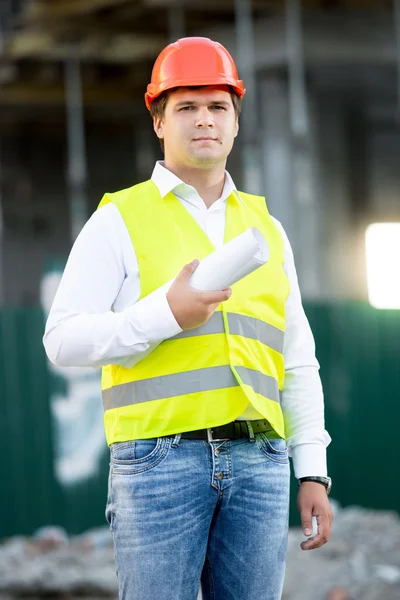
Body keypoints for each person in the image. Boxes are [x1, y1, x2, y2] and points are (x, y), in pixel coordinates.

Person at [43, 37, 332, 600]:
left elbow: (297, 358)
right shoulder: (118, 219)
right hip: (159, 462)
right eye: (187, 107)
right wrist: (162, 316)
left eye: (218, 107)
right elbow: (61, 341)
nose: (205, 120)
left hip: (261, 462)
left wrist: (313, 469)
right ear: (158, 121)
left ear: (235, 122)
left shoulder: (267, 229)